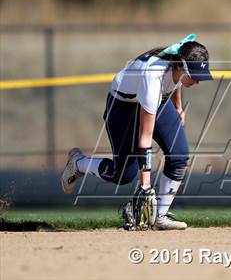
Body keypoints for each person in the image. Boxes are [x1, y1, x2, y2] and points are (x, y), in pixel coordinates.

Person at [60, 34, 213, 230]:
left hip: (157, 101)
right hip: (123, 107)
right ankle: (78, 164)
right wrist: (146, 186)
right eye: (194, 75)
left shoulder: (177, 66)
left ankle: (161, 216)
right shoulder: (153, 77)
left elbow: (175, 82)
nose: (198, 81)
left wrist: (178, 107)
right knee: (123, 175)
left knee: (179, 154)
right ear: (180, 66)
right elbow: (145, 137)